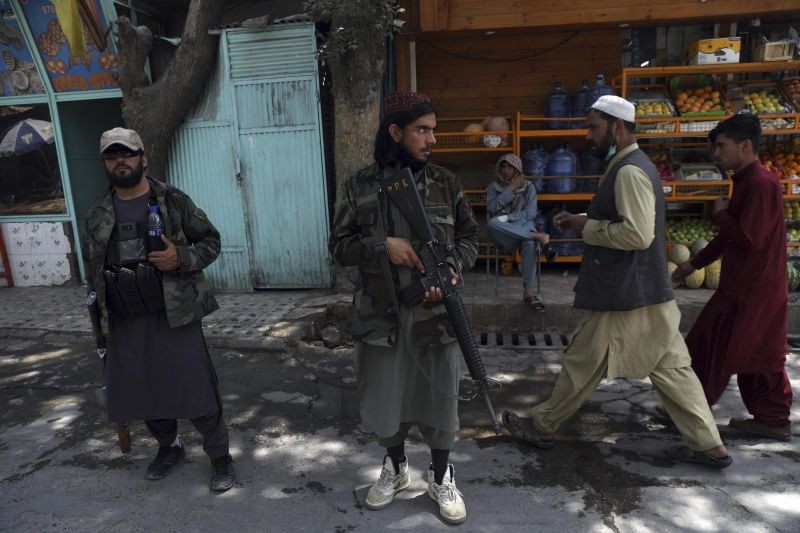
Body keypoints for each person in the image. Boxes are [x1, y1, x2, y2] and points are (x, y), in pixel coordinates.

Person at [501, 95, 732, 468]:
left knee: (582, 361)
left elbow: (637, 235)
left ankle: (543, 426)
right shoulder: (633, 165)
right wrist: (582, 218)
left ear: (618, 128)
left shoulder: (629, 171)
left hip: (624, 293)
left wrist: (586, 226)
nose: (587, 135)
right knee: (673, 368)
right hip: (648, 291)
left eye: (593, 127)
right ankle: (708, 444)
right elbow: (628, 220)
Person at [329, 91, 479, 524]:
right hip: (381, 316)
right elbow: (338, 247)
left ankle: (441, 473)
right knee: (385, 399)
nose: (432, 139)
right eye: (422, 130)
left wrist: (451, 268)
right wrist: (382, 247)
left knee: (440, 399)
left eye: (434, 130)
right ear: (396, 133)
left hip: (438, 315)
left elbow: (470, 237)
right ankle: (395, 468)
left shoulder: (446, 183)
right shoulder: (359, 185)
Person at [82, 128, 235, 491]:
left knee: (197, 390)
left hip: (174, 313)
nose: (121, 161)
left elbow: (211, 242)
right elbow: (94, 272)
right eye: (111, 156)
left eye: (128, 153)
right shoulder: (97, 212)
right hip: (125, 317)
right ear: (105, 163)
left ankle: (220, 457)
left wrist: (180, 257)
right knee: (144, 390)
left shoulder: (173, 201)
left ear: (143, 158)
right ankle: (169, 447)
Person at [672, 114, 792, 441]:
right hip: (745, 285)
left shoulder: (761, 184)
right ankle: (692, 407)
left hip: (755, 288)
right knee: (731, 348)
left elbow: (748, 238)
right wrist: (693, 264)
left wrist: (721, 213)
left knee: (739, 351)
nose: (716, 154)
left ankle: (769, 419)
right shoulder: (746, 181)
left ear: (745, 145)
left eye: (721, 146)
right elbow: (730, 238)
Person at [486, 153, 557, 310]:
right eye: (503, 166)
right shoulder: (493, 187)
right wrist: (510, 189)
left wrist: (508, 218)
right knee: (492, 223)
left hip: (520, 229)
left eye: (510, 167)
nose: (505, 170)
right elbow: (492, 208)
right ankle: (538, 236)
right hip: (501, 233)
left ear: (517, 168)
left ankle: (528, 293)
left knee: (529, 244)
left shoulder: (529, 187)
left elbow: (530, 214)